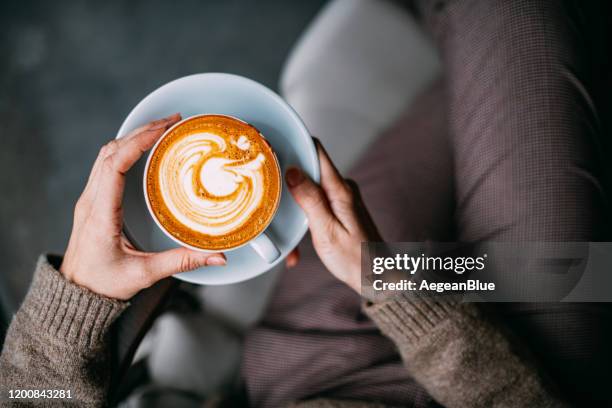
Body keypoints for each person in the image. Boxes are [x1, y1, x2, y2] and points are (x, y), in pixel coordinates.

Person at [0, 114, 567, 407]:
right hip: (497, 373)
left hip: (293, 362)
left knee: (385, 160)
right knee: (572, 267)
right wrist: (400, 286)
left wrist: (74, 307)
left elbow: (30, 397)